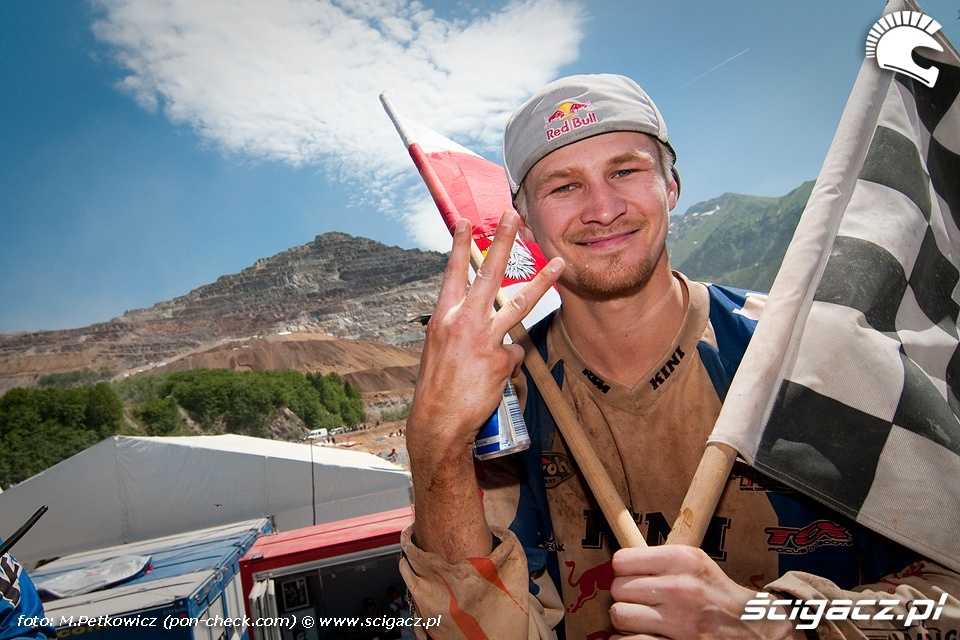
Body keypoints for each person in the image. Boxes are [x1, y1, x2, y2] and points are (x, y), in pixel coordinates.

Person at [397, 73, 960, 639]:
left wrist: (769, 623)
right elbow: (474, 629)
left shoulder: (813, 356)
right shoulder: (506, 401)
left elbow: (947, 600)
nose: (602, 207)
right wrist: (434, 444)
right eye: (563, 186)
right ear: (523, 219)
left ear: (671, 187)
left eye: (625, 170)